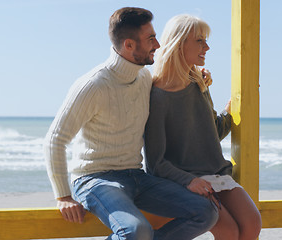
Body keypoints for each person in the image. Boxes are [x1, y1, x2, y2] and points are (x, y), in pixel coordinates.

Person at [44, 7, 219, 240]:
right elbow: (55, 139)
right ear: (128, 45)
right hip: (95, 179)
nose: (157, 44)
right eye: (150, 39)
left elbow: (171, 80)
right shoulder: (92, 85)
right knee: (136, 231)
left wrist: (198, 76)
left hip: (137, 176)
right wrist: (63, 197)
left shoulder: (144, 78)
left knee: (206, 212)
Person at [144, 14, 262, 240]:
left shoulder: (199, 82)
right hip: (185, 180)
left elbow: (213, 132)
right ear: (179, 43)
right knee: (229, 232)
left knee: (252, 224)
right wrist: (189, 181)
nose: (207, 47)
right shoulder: (156, 96)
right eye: (200, 40)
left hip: (217, 172)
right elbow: (155, 163)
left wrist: (231, 112)